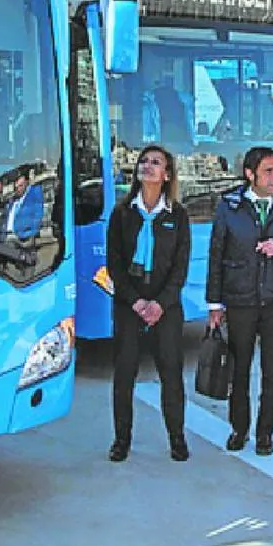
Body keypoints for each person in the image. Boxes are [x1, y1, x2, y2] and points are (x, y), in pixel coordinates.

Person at [207, 147, 273, 456]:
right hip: (240, 299)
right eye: (268, 171)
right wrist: (215, 303)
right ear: (250, 174)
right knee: (239, 369)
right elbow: (216, 255)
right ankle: (239, 428)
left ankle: (265, 433)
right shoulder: (230, 206)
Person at [106, 145, 192, 463]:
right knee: (124, 374)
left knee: (171, 374)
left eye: (156, 163)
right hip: (130, 305)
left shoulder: (178, 216)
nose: (148, 166)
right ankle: (121, 440)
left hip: (165, 308)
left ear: (167, 174)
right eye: (144, 161)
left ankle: (177, 439)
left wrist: (160, 304)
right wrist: (137, 301)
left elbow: (180, 268)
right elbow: (114, 265)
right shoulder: (122, 213)